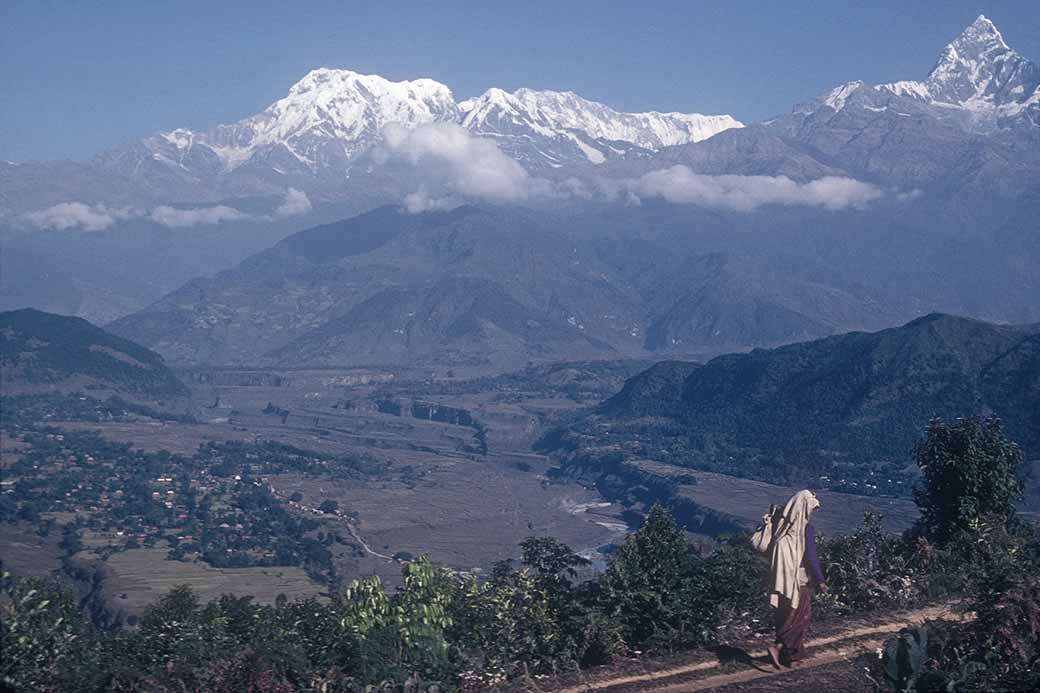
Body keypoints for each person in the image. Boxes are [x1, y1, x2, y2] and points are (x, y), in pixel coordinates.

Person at [766, 489, 827, 668]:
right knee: (801, 616)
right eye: (811, 510)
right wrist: (820, 580)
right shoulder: (805, 529)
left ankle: (791, 656)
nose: (812, 514)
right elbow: (811, 557)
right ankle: (781, 649)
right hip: (799, 579)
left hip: (780, 578)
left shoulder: (781, 525)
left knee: (785, 614)